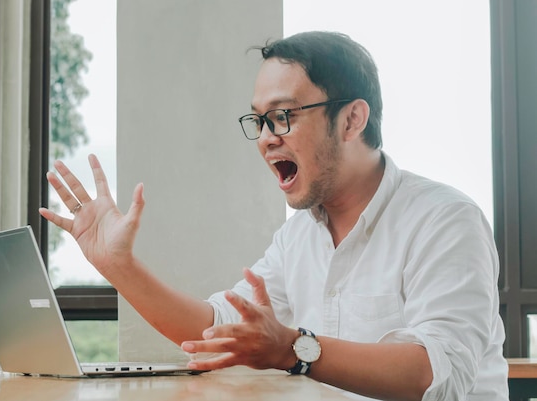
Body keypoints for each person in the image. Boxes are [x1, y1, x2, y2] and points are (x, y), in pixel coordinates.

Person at [39, 31, 508, 401]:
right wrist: (119, 267)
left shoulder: (446, 221)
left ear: (351, 120)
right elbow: (219, 328)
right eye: (259, 121)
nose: (265, 138)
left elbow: (434, 376)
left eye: (283, 115)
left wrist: (292, 349)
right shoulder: (298, 238)